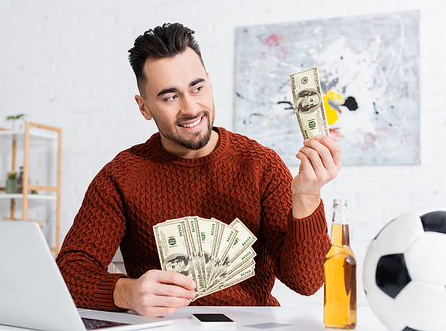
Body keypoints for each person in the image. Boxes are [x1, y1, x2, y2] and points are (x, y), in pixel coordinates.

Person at [56, 22, 341, 318]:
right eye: (170, 97)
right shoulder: (121, 176)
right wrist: (126, 292)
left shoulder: (261, 165)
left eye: (197, 88)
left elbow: (307, 283)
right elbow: (68, 273)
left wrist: (307, 196)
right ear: (144, 107)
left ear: (209, 83)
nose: (191, 108)